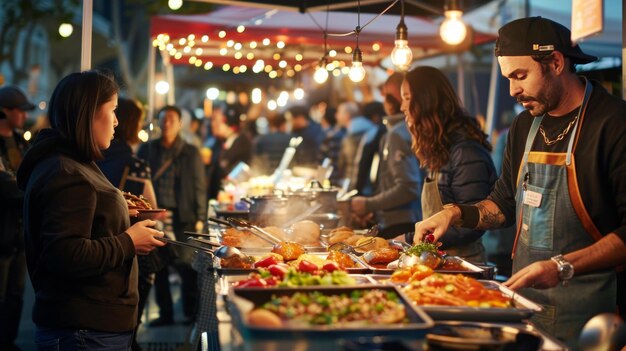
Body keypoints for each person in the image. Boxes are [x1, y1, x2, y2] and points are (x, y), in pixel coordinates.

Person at [413, 17, 626, 342]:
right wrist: (453, 213)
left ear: (556, 62)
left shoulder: (613, 123)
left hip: (592, 319)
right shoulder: (525, 125)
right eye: (508, 78)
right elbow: (503, 205)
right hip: (524, 305)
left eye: (520, 76)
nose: (513, 90)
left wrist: (560, 267)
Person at [16, 70, 165, 350]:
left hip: (93, 326)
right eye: (113, 110)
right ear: (90, 114)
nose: (117, 121)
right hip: (83, 330)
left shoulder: (74, 162)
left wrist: (117, 214)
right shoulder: (65, 171)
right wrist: (129, 241)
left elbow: (84, 221)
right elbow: (65, 255)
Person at [403, 66, 497, 264]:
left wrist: (409, 239)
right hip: (436, 258)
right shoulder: (440, 148)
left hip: (462, 263)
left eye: (407, 98)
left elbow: (471, 224)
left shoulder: (466, 151)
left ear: (427, 102)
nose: (402, 107)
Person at [95, 97, 162, 351]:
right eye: (111, 112)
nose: (115, 120)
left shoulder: (92, 158)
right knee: (127, 329)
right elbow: (152, 210)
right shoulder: (135, 163)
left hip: (102, 255)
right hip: (129, 252)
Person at [137, 105, 207, 326]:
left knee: (186, 266)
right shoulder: (147, 150)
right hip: (155, 216)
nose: (166, 123)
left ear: (179, 124)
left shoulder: (190, 151)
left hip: (182, 216)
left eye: (171, 119)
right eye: (163, 119)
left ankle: (189, 312)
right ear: (158, 123)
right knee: (159, 266)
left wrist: (200, 217)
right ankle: (166, 314)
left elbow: (199, 186)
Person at [351, 73, 424, 238]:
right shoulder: (398, 131)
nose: (384, 99)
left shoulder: (398, 134)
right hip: (404, 220)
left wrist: (368, 204)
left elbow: (408, 187)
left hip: (402, 223)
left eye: (387, 95)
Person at [0, 84, 34, 351]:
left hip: (20, 232)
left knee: (16, 294)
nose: (23, 115)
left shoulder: (22, 141)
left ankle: (9, 341)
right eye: (19, 110)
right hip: (2, 230)